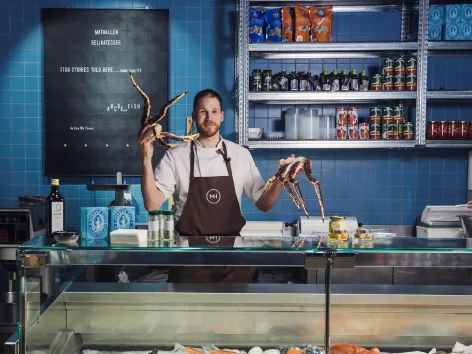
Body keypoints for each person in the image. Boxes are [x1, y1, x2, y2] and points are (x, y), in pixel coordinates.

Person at [138, 89, 292, 283]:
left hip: (232, 261)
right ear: (194, 116)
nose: (209, 117)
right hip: (188, 260)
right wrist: (146, 158)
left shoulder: (240, 155)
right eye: (203, 112)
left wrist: (281, 177)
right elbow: (152, 204)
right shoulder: (175, 156)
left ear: (222, 116)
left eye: (214, 111)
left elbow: (264, 204)